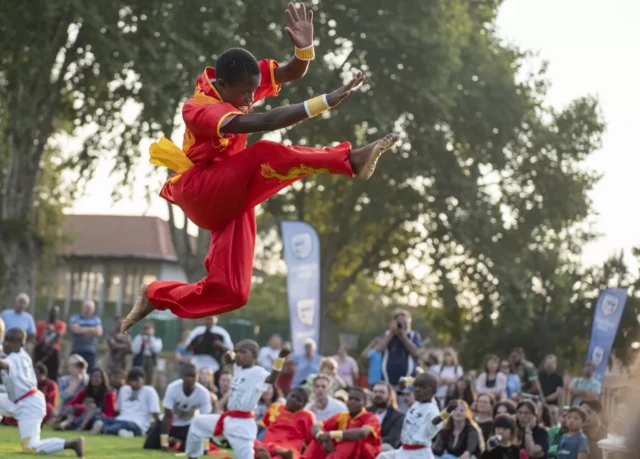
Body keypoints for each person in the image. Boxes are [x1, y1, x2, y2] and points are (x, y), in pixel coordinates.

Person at [120, 2, 400, 333]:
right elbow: (266, 120)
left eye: (254, 92)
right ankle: (349, 159)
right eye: (244, 95)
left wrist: (304, 48)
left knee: (233, 290)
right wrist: (326, 100)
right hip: (201, 190)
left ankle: (155, 295)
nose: (250, 99)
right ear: (223, 86)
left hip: (231, 193)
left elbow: (292, 71)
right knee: (265, 154)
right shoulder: (200, 108)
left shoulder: (239, 82)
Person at [185, 340, 290, 458]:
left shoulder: (257, 372)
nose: (239, 354)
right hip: (228, 419)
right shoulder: (238, 368)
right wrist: (229, 355)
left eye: (243, 352)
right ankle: (193, 456)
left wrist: (280, 358)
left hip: (242, 424)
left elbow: (271, 379)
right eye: (238, 352)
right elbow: (227, 359)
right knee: (197, 423)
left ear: (254, 355)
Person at [0, 328, 84, 457]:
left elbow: (3, 364)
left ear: (20, 344)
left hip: (29, 405)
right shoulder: (14, 355)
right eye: (6, 339)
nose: (6, 343)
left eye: (11, 341)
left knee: (30, 447)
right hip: (17, 401)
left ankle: (72, 443)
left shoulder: (17, 358)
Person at [376, 372, 459, 459]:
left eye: (422, 388)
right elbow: (415, 380)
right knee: (382, 457)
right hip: (404, 450)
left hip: (418, 453)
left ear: (433, 391)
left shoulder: (431, 409)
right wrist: (405, 381)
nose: (417, 389)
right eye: (416, 387)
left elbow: (435, 421)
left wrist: (448, 410)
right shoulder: (419, 402)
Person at [144, 363, 212, 452]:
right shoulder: (172, 388)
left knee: (185, 450)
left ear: (197, 377)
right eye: (187, 376)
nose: (190, 379)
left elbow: (205, 421)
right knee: (149, 446)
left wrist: (206, 447)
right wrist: (164, 444)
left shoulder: (203, 393)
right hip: (172, 424)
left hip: (189, 426)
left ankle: (179, 442)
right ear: (182, 376)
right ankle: (170, 441)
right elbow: (167, 417)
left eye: (192, 376)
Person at [303, 387, 382, 459]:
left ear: (364, 403)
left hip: (365, 454)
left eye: (357, 399)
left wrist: (330, 435)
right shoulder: (341, 416)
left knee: (351, 439)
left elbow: (361, 434)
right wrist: (322, 438)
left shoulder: (371, 417)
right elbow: (316, 426)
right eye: (350, 399)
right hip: (344, 454)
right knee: (319, 438)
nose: (353, 402)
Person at [91, 366, 160, 437]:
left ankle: (105, 429)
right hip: (121, 419)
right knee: (98, 419)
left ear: (143, 380)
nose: (133, 383)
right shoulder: (124, 390)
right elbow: (118, 410)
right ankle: (124, 433)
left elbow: (155, 413)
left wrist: (156, 430)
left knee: (122, 425)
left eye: (136, 381)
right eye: (131, 380)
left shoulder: (149, 391)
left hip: (137, 424)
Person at [254, 387, 316, 459]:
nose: (294, 400)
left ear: (304, 405)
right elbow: (266, 423)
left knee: (279, 457)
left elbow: (311, 441)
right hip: (268, 446)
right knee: (249, 442)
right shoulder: (275, 407)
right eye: (292, 396)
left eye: (299, 400)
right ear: (287, 396)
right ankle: (274, 452)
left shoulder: (307, 416)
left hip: (288, 451)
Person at [376, 310, 422, 389]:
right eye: (400, 323)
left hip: (408, 382)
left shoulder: (413, 335)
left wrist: (403, 336)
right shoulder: (387, 334)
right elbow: (378, 350)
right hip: (388, 381)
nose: (402, 325)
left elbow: (416, 352)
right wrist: (391, 333)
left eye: (405, 323)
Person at [368, 381, 405, 450]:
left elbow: (392, 439)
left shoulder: (398, 417)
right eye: (375, 392)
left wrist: (369, 444)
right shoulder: (366, 412)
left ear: (390, 395)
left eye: (382, 392)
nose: (378, 394)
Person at [34, 304, 66, 382]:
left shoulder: (60, 324)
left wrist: (52, 331)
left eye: (55, 312)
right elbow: (37, 338)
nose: (53, 314)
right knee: (38, 371)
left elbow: (59, 336)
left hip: (53, 351)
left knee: (53, 374)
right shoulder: (41, 324)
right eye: (52, 312)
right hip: (41, 351)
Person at [69, 300, 103, 372]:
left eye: (89, 308)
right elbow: (75, 330)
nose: (87, 310)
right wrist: (91, 329)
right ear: (82, 308)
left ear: (93, 309)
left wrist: (81, 329)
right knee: (75, 371)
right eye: (86, 307)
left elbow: (99, 332)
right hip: (77, 350)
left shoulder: (96, 320)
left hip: (90, 351)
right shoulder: (75, 318)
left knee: (89, 372)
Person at [131, 321, 163, 386]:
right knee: (139, 376)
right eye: (146, 328)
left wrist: (150, 338)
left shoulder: (156, 339)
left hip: (151, 359)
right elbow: (135, 350)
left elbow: (156, 349)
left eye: (149, 328)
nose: (147, 330)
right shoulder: (138, 338)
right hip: (140, 358)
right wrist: (142, 340)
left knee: (150, 377)